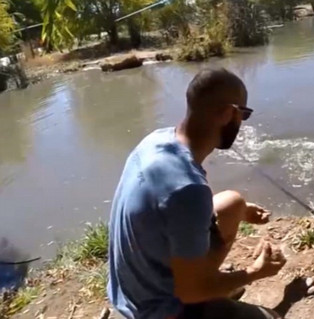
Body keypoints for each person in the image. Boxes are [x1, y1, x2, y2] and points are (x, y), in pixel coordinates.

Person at [108, 67, 286, 319]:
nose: (241, 122)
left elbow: (175, 207)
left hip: (131, 290)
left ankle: (210, 286)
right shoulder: (189, 190)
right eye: (243, 114)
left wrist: (242, 211)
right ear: (229, 114)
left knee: (232, 203)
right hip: (158, 310)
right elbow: (189, 292)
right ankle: (210, 291)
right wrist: (256, 271)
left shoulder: (156, 140)